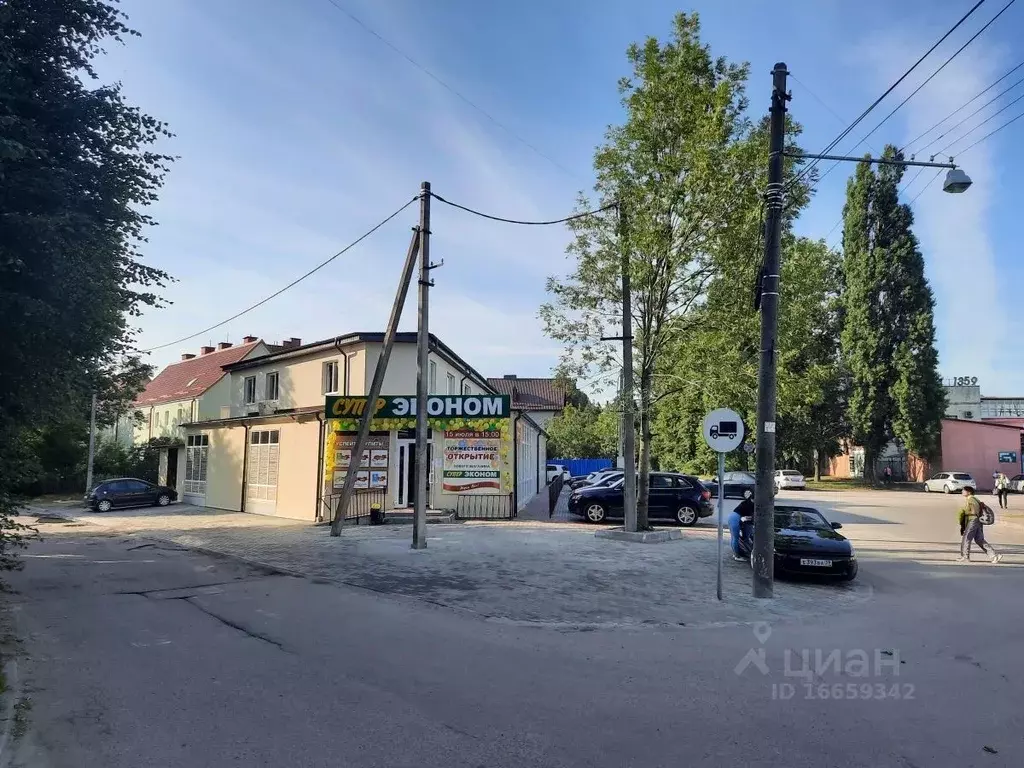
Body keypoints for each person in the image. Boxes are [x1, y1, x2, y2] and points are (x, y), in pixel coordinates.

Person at [958, 486, 1001, 563]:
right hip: (977, 521)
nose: (962, 492)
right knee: (979, 540)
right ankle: (994, 556)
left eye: (963, 490)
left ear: (969, 492)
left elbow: (975, 510)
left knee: (966, 538)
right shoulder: (974, 499)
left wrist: (965, 512)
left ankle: (965, 557)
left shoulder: (971, 500)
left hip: (973, 520)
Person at [729, 493, 755, 561]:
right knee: (735, 538)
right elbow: (750, 518)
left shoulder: (746, 502)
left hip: (732, 516)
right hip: (735, 519)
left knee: (733, 538)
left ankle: (735, 554)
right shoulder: (751, 505)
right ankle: (737, 556)